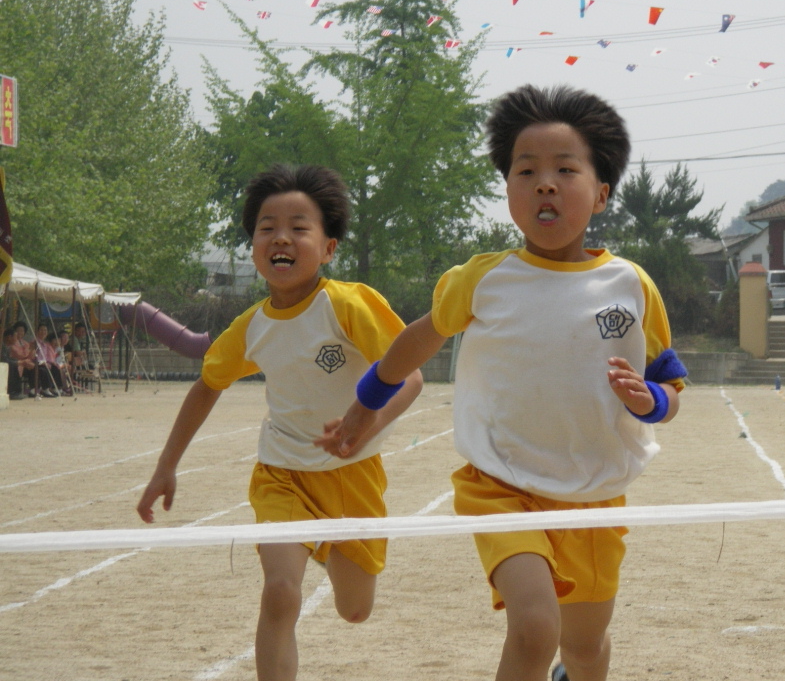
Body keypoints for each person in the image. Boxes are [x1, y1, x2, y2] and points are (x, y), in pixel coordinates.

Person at [320, 85, 687, 681]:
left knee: (586, 647)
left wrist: (652, 404)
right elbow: (418, 338)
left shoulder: (631, 285)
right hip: (501, 485)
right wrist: (366, 405)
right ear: (510, 190)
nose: (545, 183)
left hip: (594, 493)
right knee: (536, 627)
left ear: (600, 193)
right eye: (527, 170)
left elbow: (670, 387)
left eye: (565, 170)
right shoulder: (483, 279)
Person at [136, 164, 423, 681]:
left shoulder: (349, 304)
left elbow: (412, 377)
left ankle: (326, 540)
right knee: (280, 593)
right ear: (254, 245)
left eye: (298, 226)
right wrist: (166, 466)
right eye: (267, 227)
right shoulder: (252, 327)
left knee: (354, 609)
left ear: (329, 248)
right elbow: (207, 384)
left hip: (353, 475)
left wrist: (364, 426)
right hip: (281, 474)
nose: (281, 237)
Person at [5, 322, 39, 398]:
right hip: (18, 362)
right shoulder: (11, 344)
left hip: (24, 363)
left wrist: (32, 350)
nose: (20, 333)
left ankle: (34, 388)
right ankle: (14, 391)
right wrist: (24, 360)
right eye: (18, 330)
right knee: (14, 367)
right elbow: (18, 354)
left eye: (22, 331)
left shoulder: (26, 343)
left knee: (36, 366)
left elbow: (29, 355)